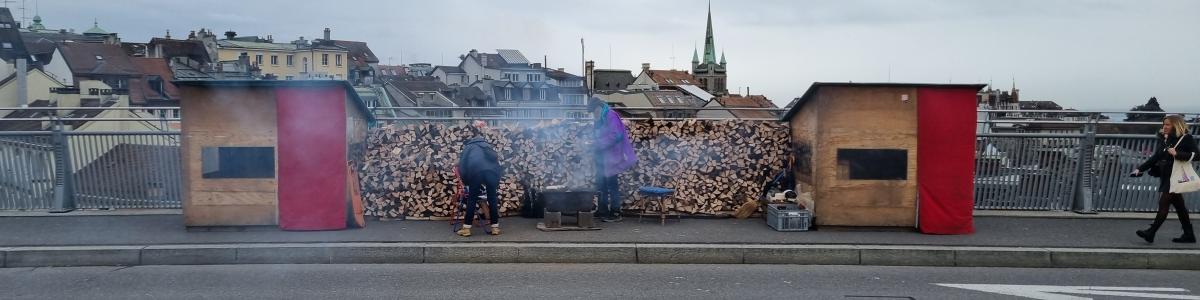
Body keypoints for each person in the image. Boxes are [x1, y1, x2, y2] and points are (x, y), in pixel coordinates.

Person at [1132, 115, 1196, 243]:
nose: (1164, 127)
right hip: (1166, 175)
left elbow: (1197, 155)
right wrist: (1140, 169)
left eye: (1167, 125)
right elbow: (1156, 157)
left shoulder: (1186, 138)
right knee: (1179, 206)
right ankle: (1189, 234)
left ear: (1176, 125)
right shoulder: (1166, 139)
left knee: (1164, 203)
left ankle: (1151, 232)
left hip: (1176, 176)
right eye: (1164, 124)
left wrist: (1177, 154)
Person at [590, 99, 638, 222]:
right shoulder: (600, 118)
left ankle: (616, 212)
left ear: (599, 108)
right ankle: (602, 210)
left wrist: (599, 143)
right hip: (602, 156)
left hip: (612, 156)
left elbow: (616, 135)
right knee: (601, 184)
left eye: (594, 111)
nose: (593, 114)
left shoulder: (611, 115)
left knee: (612, 185)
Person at [457, 121, 502, 237]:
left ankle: (466, 229)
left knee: (472, 199)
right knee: (492, 199)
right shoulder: (488, 146)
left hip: (475, 173)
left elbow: (462, 166)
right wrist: (496, 180)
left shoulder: (469, 147)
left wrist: (467, 181)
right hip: (492, 174)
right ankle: (495, 228)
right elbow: (497, 163)